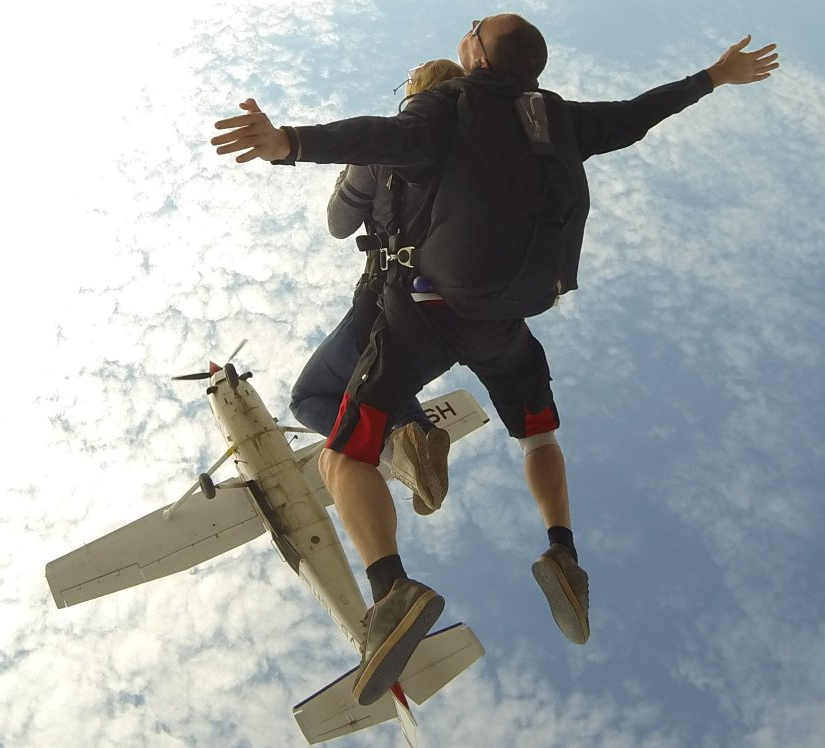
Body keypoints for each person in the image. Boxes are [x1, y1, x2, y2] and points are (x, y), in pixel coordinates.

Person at [211, 14, 778, 706]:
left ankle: (392, 587)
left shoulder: (442, 108)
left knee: (342, 453)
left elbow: (379, 137)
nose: (464, 31)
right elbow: (637, 116)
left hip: (420, 316)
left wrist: (288, 144)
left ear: (478, 56)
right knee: (538, 433)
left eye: (472, 27)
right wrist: (713, 77)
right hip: (505, 324)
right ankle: (563, 551)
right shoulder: (559, 120)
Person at [289, 59, 465, 516]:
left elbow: (338, 225)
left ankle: (408, 439)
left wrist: (348, 171)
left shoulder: (388, 142)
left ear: (418, 90)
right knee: (382, 366)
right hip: (465, 313)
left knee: (309, 397)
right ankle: (409, 438)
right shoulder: (486, 151)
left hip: (392, 290)